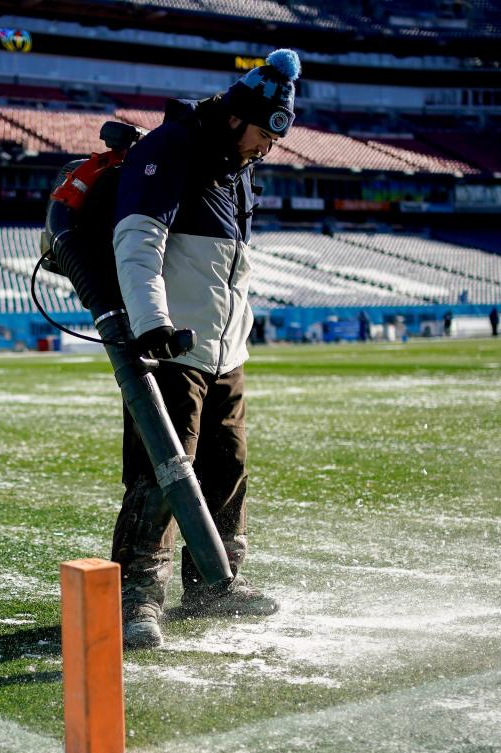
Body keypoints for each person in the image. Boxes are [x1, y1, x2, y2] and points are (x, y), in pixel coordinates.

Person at [110, 48, 298, 647]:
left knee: (227, 468)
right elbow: (138, 238)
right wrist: (151, 323)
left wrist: (236, 342)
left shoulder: (237, 165)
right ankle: (137, 598)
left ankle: (216, 586)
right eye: (264, 134)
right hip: (172, 348)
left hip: (224, 354)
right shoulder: (176, 146)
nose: (267, 147)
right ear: (237, 115)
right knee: (162, 474)